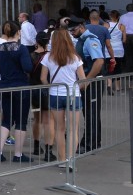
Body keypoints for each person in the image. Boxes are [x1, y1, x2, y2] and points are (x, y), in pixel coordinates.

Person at [40, 29, 86, 171]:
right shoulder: (75, 57)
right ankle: (71, 160)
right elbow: (82, 79)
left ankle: (61, 159)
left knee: (59, 129)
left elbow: (43, 78)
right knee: (73, 129)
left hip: (55, 94)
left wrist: (50, 87)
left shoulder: (48, 57)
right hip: (73, 94)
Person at [0, 21, 34, 163]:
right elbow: (27, 67)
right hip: (20, 86)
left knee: (6, 120)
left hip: (5, 86)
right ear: (18, 32)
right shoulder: (21, 49)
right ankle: (18, 154)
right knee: (21, 120)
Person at [69, 15, 104, 153]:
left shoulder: (90, 40)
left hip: (91, 81)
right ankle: (90, 141)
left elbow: (99, 61)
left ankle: (91, 143)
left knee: (91, 112)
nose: (72, 32)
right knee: (89, 112)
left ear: (81, 27)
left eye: (73, 29)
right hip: (88, 80)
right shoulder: (83, 40)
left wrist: (87, 80)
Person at [29, 31, 55, 161]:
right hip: (46, 90)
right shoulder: (50, 57)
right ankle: (48, 151)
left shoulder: (31, 56)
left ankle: (36, 145)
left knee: (36, 119)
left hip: (33, 90)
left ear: (37, 41)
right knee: (48, 120)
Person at [107, 10, 125, 93]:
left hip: (108, 49)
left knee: (109, 67)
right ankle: (118, 87)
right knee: (118, 68)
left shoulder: (106, 25)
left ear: (110, 16)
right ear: (118, 17)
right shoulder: (122, 26)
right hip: (119, 49)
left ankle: (109, 85)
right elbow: (124, 40)